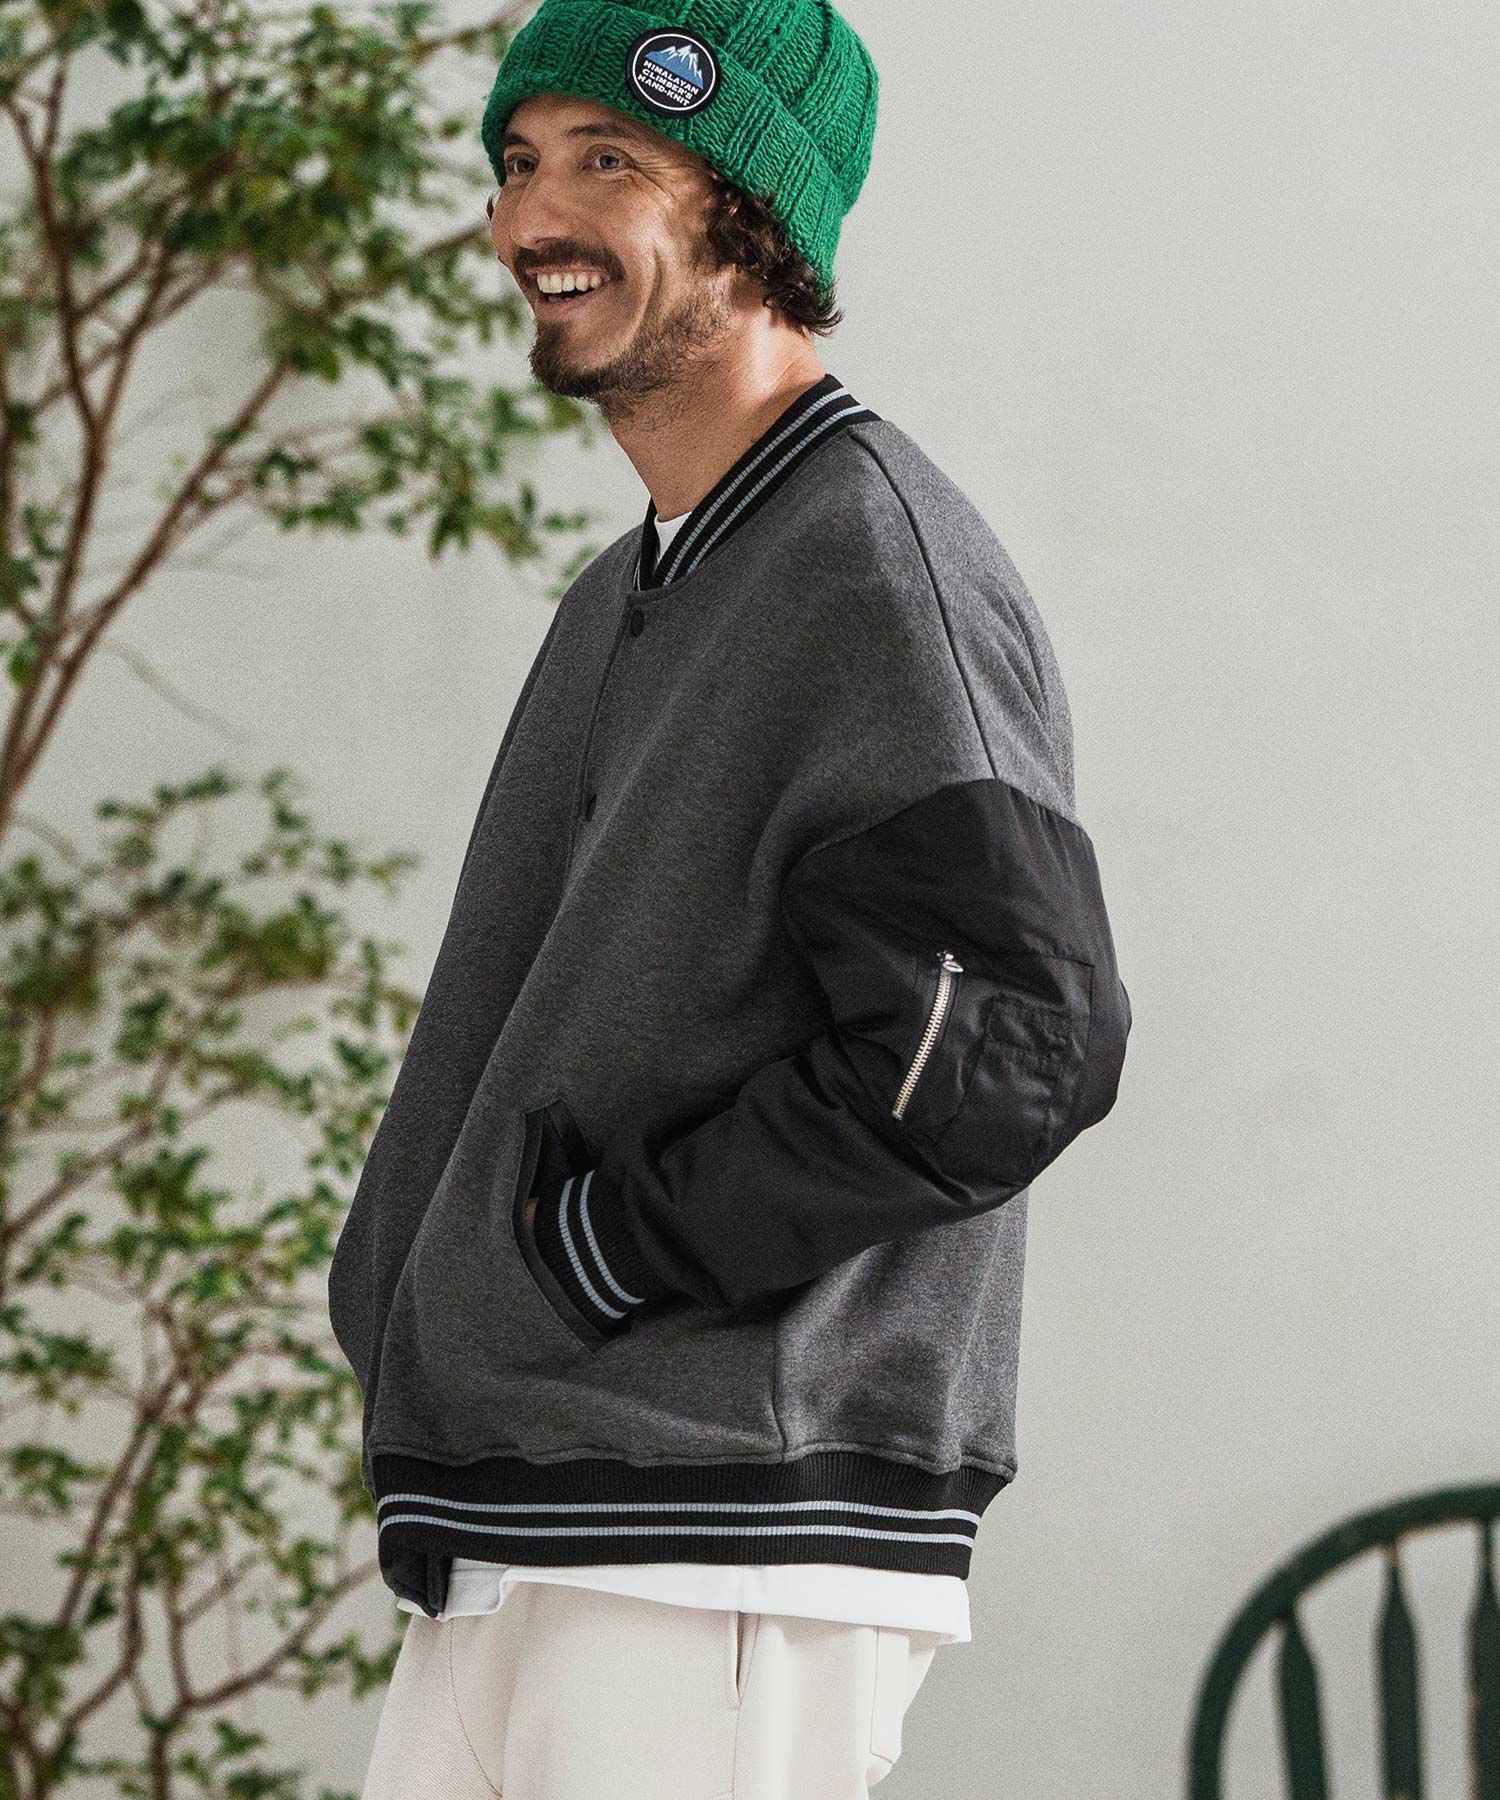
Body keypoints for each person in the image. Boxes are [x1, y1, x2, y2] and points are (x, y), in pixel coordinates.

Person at [331, 2, 1133, 1794]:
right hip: (549, 1512)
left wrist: (607, 1251)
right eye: (519, 162)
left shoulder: (869, 568)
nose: (532, 217)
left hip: (716, 1538)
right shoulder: (648, 580)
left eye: (609, 160)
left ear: (755, 216)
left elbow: (1011, 1044)